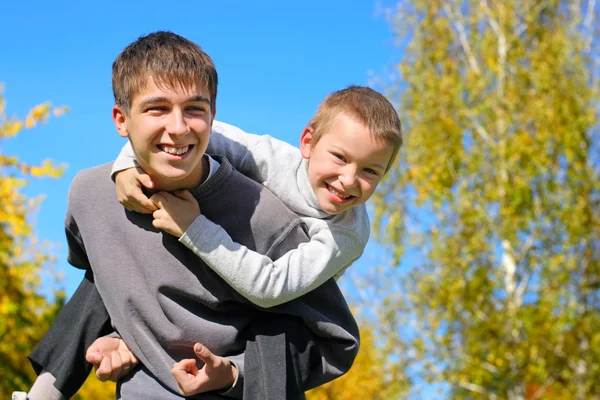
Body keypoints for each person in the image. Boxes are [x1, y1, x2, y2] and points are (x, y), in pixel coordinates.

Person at [20, 31, 359, 400]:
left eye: (194, 109)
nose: (179, 127)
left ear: (213, 117)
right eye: (157, 108)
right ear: (121, 119)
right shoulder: (90, 196)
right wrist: (117, 336)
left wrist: (233, 374)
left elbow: (333, 340)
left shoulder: (266, 219)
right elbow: (103, 277)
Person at [111, 85, 403, 309]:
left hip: (277, 307)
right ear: (308, 142)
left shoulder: (347, 231)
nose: (349, 180)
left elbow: (272, 289)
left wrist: (194, 228)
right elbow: (200, 134)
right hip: (234, 250)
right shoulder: (274, 160)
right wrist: (125, 165)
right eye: (340, 157)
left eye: (369, 171)